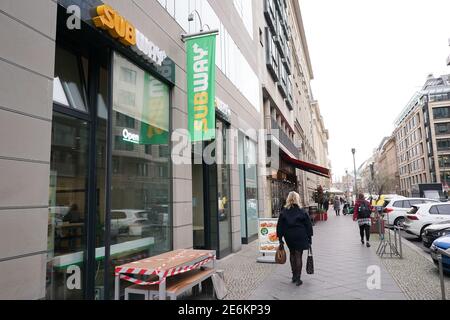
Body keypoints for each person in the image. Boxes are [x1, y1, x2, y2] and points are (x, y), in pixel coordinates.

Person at [277, 191, 313, 286]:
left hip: (289, 236)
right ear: (297, 199)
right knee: (298, 255)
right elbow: (308, 226)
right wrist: (309, 238)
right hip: (300, 235)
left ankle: (293, 276)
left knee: (292, 254)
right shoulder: (302, 211)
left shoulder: (284, 211)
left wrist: (280, 238)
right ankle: (298, 278)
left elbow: (279, 225)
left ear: (288, 199)